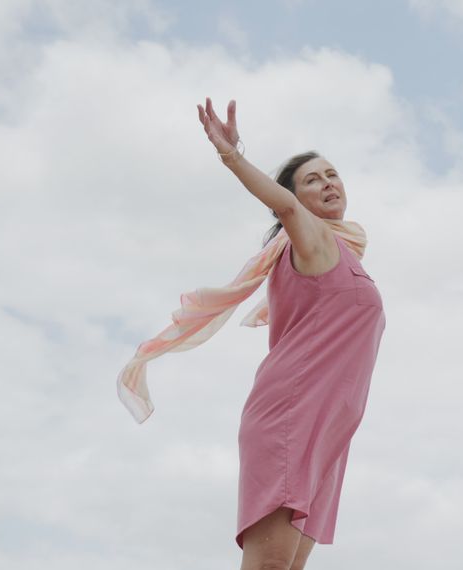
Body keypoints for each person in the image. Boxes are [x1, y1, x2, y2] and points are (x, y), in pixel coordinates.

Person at [120, 97, 386, 570]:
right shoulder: (313, 240)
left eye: (331, 174)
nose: (327, 183)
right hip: (293, 417)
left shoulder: (345, 254)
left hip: (329, 431)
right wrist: (232, 156)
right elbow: (282, 208)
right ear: (296, 200)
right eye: (312, 180)